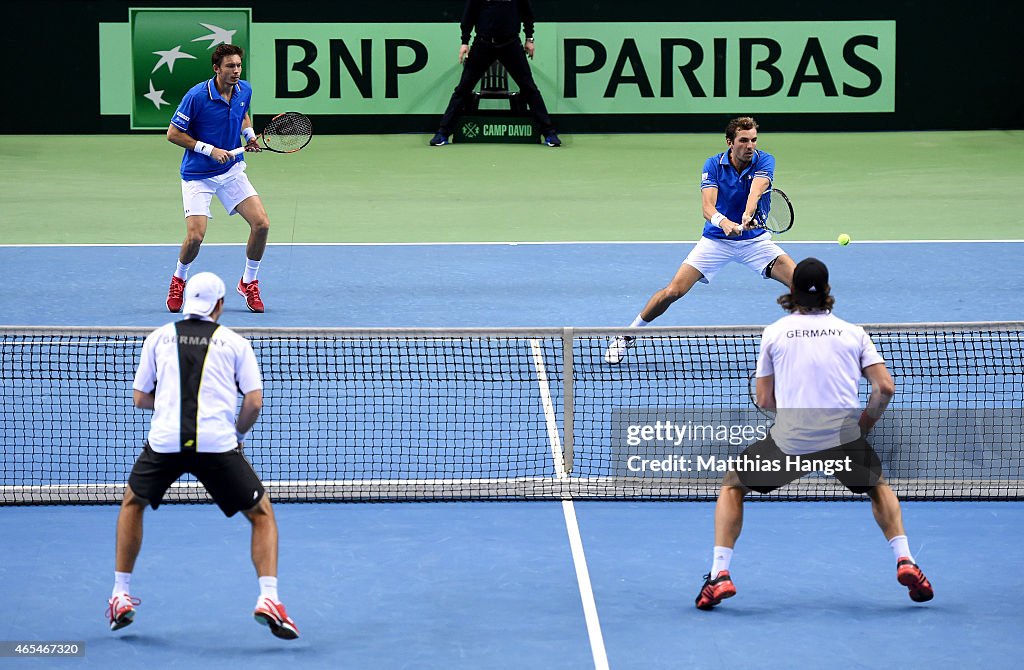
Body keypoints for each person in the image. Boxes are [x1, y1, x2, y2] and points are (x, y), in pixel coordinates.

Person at [694, 258, 934, 610]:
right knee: (878, 487)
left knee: (732, 486)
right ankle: (906, 560)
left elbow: (764, 398)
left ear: (791, 290)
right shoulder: (854, 333)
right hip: (843, 438)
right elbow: (885, 388)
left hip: (791, 440)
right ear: (827, 291)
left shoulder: (774, 333)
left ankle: (719, 575)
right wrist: (864, 424)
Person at [108, 272, 299, 639]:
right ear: (220, 305)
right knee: (261, 514)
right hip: (217, 444)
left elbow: (140, 398)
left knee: (133, 503)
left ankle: (120, 595)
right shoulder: (234, 342)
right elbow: (254, 402)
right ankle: (269, 598)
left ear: (189, 303)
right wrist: (238, 435)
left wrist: (170, 405)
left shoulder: (159, 337)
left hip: (165, 442)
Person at [604, 116, 795, 364]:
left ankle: (809, 340)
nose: (750, 146)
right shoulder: (713, 164)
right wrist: (725, 223)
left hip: (755, 242)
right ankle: (626, 337)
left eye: (754, 140)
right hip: (716, 241)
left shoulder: (765, 160)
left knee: (803, 285)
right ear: (730, 142)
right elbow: (707, 207)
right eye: (744, 140)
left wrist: (747, 216)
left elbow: (756, 191)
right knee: (673, 291)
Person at [165, 43, 269, 314]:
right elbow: (173, 133)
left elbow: (243, 114)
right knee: (195, 237)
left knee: (261, 224)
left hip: (231, 170)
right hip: (198, 175)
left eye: (238, 65)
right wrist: (208, 149)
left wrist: (249, 135)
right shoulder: (196, 96)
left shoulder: (244, 89)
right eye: (230, 66)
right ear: (216, 69)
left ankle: (249, 282)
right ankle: (179, 279)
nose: (236, 71)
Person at [428, 0, 561, 147]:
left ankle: (549, 133)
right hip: (483, 44)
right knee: (463, 89)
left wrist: (529, 38)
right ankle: (442, 133)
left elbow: (527, 14)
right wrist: (464, 42)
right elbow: (469, 15)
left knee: (529, 88)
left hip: (510, 44)